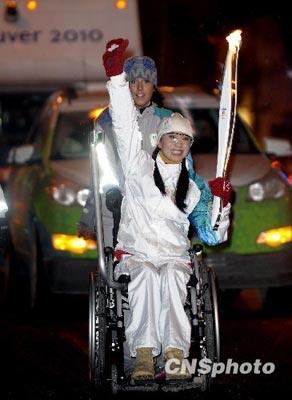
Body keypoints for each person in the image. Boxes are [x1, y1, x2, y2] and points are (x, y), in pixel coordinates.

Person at [102, 38, 232, 382]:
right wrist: (116, 77)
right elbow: (124, 123)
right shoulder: (137, 166)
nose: (177, 143)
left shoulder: (193, 186)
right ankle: (144, 356)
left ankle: (174, 355)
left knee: (174, 280)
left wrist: (221, 203)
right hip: (138, 250)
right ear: (159, 140)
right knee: (145, 278)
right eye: (171, 137)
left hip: (174, 255)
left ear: (189, 146)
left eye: (184, 140)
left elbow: (213, 235)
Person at [78, 52, 173, 246]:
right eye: (132, 81)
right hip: (115, 211)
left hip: (157, 213)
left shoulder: (168, 120)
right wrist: (89, 215)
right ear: (125, 86)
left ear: (153, 86)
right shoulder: (106, 121)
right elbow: (98, 171)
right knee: (118, 272)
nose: (139, 88)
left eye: (145, 81)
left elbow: (183, 172)